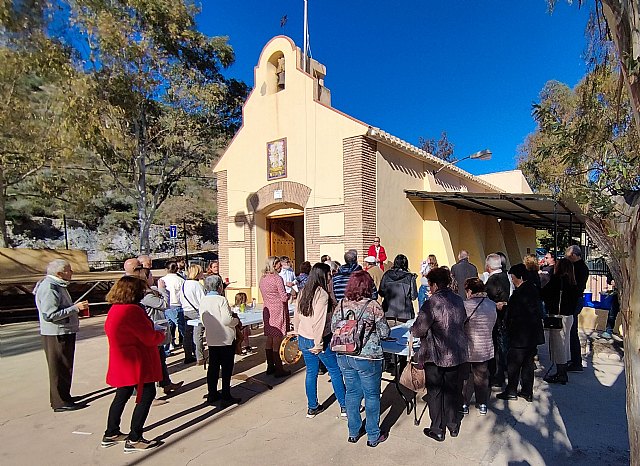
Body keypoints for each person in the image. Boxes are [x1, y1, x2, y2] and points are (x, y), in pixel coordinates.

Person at [101, 276, 165, 452]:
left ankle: (111, 432)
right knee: (147, 394)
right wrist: (161, 335)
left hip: (122, 360)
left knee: (122, 394)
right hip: (136, 361)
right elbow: (149, 338)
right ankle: (135, 437)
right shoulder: (132, 310)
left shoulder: (115, 308)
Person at [332, 270, 390, 447]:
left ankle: (353, 431)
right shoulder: (373, 305)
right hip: (368, 357)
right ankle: (373, 435)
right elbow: (385, 332)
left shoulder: (341, 304)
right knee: (371, 395)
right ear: (368, 286)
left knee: (352, 393)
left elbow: (334, 326)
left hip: (344, 353)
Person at [411, 267, 468, 442]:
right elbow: (463, 321)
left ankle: (437, 428)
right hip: (455, 352)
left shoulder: (432, 302)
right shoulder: (458, 300)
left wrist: (414, 328)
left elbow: (418, 330)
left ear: (435, 284)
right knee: (451, 390)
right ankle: (452, 425)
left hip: (435, 354)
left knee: (435, 392)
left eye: (430, 284)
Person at [34, 259, 89, 412]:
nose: (71, 273)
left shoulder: (59, 285)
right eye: (68, 270)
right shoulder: (49, 287)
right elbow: (49, 314)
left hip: (65, 330)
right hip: (56, 333)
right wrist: (75, 309)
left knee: (65, 366)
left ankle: (65, 395)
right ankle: (59, 401)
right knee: (58, 367)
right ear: (59, 273)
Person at [124, 259, 182, 399]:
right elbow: (164, 304)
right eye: (150, 276)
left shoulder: (150, 292)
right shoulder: (146, 295)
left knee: (161, 360)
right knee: (150, 363)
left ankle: (166, 383)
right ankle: (142, 394)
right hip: (151, 331)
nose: (154, 278)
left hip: (156, 330)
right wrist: (162, 289)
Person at [294, 263, 346, 418]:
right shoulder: (321, 295)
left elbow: (297, 315)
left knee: (311, 372)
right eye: (329, 275)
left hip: (304, 337)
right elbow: (319, 321)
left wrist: (298, 333)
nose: (331, 277)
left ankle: (312, 406)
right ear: (323, 276)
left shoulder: (304, 291)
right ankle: (344, 406)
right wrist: (318, 343)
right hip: (318, 339)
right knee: (335, 371)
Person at [496, 264, 544, 403]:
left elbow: (514, 314)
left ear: (520, 277)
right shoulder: (532, 289)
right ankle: (527, 391)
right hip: (532, 335)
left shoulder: (519, 293)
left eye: (513, 277)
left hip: (520, 335)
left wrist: (505, 309)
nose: (512, 280)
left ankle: (511, 390)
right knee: (528, 364)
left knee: (514, 364)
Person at [200, 275, 242, 406]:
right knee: (226, 367)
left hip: (212, 338)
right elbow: (226, 320)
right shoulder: (221, 300)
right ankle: (226, 394)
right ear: (219, 287)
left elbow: (202, 319)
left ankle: (212, 393)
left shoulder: (204, 300)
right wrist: (236, 321)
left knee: (213, 367)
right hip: (225, 338)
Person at [540, 258, 579, 384]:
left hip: (558, 316)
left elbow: (544, 293)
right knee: (565, 344)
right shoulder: (573, 282)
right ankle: (562, 371)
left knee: (558, 345)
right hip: (569, 316)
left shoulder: (557, 281)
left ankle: (561, 373)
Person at [461, 278, 496, 416]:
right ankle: (482, 403)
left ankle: (463, 403)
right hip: (485, 346)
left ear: (469, 291)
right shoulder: (492, 305)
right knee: (481, 376)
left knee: (463, 377)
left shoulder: (465, 305)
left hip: (467, 347)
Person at [259, 256, 291, 377]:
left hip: (267, 309)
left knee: (270, 338)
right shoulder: (277, 278)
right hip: (277, 309)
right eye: (278, 264)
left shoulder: (263, 278)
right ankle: (278, 368)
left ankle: (270, 366)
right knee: (277, 337)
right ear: (274, 265)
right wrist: (290, 294)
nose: (280, 266)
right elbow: (283, 297)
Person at [484, 253, 511, 389]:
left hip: (496, 319)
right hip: (502, 318)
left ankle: (496, 376)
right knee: (500, 347)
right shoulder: (504, 276)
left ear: (488, 266)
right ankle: (499, 373)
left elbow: (488, 299)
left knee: (496, 348)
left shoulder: (494, 280)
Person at [565, 245, 589, 372]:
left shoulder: (578, 268)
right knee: (571, 331)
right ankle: (575, 359)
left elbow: (574, 286)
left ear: (574, 255)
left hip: (574, 301)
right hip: (576, 300)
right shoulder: (581, 267)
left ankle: (576, 361)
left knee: (572, 331)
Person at [379, 254, 418, 323]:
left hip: (388, 312)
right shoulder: (410, 277)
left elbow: (381, 292)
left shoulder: (387, 274)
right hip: (405, 314)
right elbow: (413, 296)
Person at [181, 264, 206, 365]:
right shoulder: (197, 285)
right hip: (196, 311)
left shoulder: (184, 284)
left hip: (186, 311)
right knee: (198, 335)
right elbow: (203, 299)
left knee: (188, 334)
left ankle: (188, 355)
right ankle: (199, 357)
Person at [158, 262, 185, 353]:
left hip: (166, 306)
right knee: (182, 329)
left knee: (167, 328)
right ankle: (188, 348)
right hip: (177, 305)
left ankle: (167, 349)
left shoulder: (162, 280)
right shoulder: (181, 280)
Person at [601, 273, 620, 340]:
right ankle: (608, 331)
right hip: (617, 294)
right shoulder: (615, 267)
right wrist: (611, 280)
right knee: (612, 314)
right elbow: (609, 277)